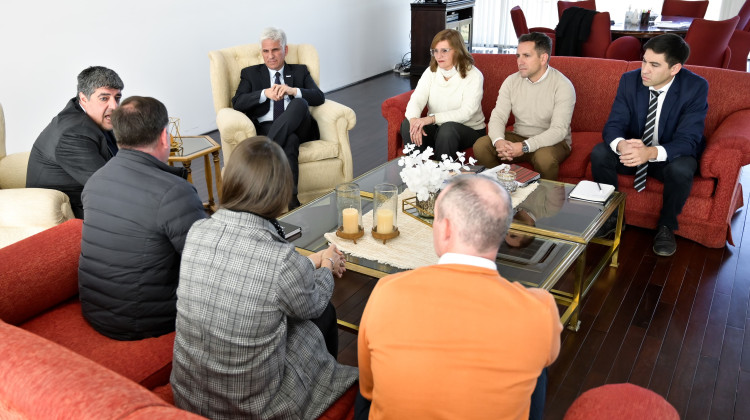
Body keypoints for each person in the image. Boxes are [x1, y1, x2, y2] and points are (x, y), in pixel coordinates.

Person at [171, 136, 357, 419]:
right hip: (249, 408)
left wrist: (311, 262)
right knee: (319, 317)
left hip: (189, 395)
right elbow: (312, 303)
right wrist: (327, 264)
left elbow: (249, 275)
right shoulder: (280, 260)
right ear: (280, 190)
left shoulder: (198, 231)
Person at [357, 175, 562, 420]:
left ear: (445, 229)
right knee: (536, 364)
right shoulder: (539, 308)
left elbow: (368, 389)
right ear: (501, 231)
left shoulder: (386, 291)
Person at [78, 96, 206, 340]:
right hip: (146, 320)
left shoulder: (96, 180)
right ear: (163, 137)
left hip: (96, 310)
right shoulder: (174, 192)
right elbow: (206, 261)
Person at [591, 34, 708, 257]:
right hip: (634, 152)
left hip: (668, 156)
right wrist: (622, 145)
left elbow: (688, 139)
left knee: (683, 168)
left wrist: (651, 153)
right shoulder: (629, 80)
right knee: (600, 153)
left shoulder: (695, 87)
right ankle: (613, 218)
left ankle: (666, 227)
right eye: (644, 61)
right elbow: (613, 125)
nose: (645, 70)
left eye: (654, 65)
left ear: (675, 69)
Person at [231, 27, 324, 209]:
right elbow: (237, 102)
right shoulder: (250, 74)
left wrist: (293, 91)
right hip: (268, 125)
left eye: (275, 50)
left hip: (300, 126)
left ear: (285, 50)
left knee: (300, 103)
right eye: (266, 51)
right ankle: (292, 202)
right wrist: (264, 93)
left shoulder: (299, 71)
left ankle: (261, 160)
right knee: (290, 141)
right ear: (262, 52)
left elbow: (319, 97)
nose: (270, 56)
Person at [473, 32, 576, 180]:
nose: (519, 61)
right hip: (519, 136)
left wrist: (524, 146)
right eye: (518, 56)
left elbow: (559, 130)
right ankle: (502, 187)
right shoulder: (511, 81)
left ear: (543, 58)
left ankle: (545, 201)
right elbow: (499, 115)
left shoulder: (563, 85)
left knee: (544, 159)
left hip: (552, 142)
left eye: (526, 56)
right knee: (481, 146)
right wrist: (499, 141)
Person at [27, 66, 124, 218]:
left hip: (98, 201)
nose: (115, 106)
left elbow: (126, 163)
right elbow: (109, 186)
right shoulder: (74, 133)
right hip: (80, 212)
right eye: (104, 98)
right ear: (84, 99)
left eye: (117, 98)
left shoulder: (96, 118)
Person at [401, 28, 485, 159]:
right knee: (408, 124)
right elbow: (416, 99)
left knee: (447, 130)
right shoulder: (431, 72)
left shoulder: (474, 75)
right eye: (435, 51)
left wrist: (431, 118)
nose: (438, 56)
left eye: (444, 50)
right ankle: (416, 173)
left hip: (468, 130)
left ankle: (443, 177)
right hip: (437, 128)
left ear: (457, 51)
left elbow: (466, 112)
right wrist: (414, 121)